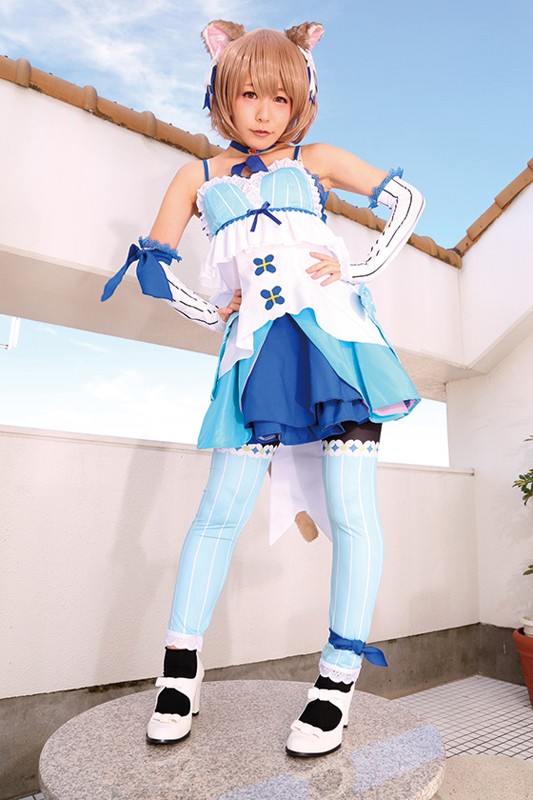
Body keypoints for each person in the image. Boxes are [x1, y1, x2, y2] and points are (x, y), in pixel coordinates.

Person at [102, 19, 425, 758]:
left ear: (300, 100)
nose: (263, 111)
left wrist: (357, 268)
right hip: (254, 354)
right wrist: (210, 308)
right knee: (218, 512)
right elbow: (153, 264)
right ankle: (178, 676)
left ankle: (335, 684)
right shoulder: (198, 175)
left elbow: (405, 200)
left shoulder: (318, 160)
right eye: (248, 93)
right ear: (223, 91)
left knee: (351, 512)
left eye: (280, 97)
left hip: (338, 346)